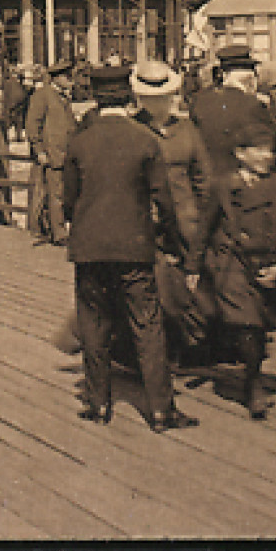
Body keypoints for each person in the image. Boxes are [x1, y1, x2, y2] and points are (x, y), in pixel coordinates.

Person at [62, 65, 198, 432]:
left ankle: (98, 403)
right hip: (135, 246)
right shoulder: (145, 140)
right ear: (127, 97)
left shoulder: (80, 140)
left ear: (95, 97)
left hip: (89, 247)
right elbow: (164, 199)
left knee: (93, 322)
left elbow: (68, 200)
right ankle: (160, 410)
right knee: (147, 324)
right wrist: (172, 241)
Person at [198, 125, 276, 419]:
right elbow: (205, 228)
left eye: (268, 150)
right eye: (257, 150)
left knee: (260, 324)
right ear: (239, 154)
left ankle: (250, 370)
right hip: (232, 263)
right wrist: (193, 267)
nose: (265, 156)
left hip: (268, 264)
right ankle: (254, 383)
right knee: (247, 323)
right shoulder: (223, 185)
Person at [128, 60, 217, 366]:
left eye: (164, 96)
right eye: (151, 97)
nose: (158, 102)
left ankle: (188, 349)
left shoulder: (187, 130)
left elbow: (203, 179)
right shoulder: (131, 130)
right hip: (143, 223)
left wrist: (204, 218)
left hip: (185, 222)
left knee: (188, 285)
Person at [189, 44, 276, 179]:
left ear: (223, 74)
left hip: (209, 181)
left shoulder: (199, 102)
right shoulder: (254, 104)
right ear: (251, 79)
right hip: (243, 184)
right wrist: (269, 108)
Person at [25, 59, 77, 246]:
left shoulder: (64, 97)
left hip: (66, 155)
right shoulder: (42, 95)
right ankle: (58, 233)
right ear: (56, 78)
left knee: (63, 194)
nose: (70, 80)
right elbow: (32, 125)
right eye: (67, 77)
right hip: (52, 155)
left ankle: (57, 228)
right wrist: (39, 149)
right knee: (54, 195)